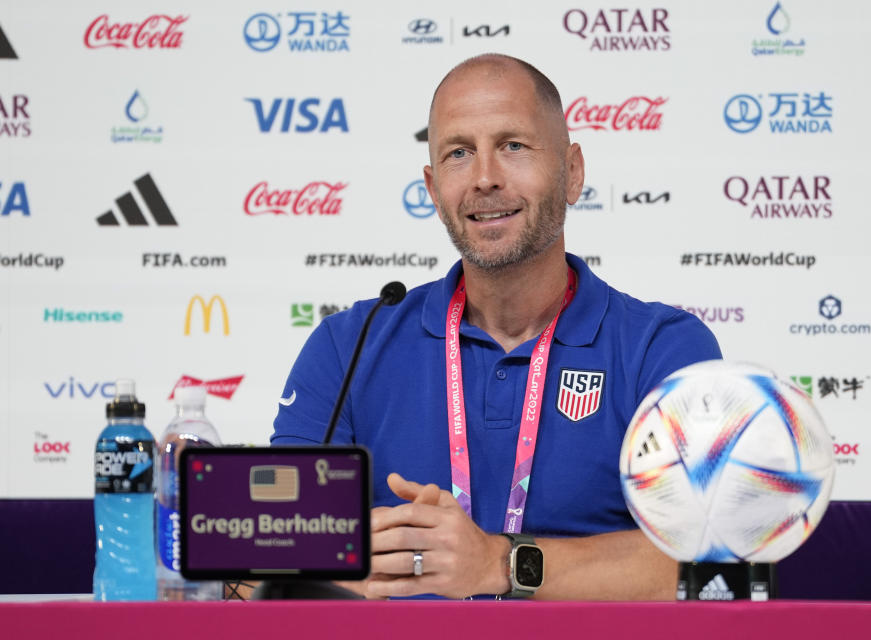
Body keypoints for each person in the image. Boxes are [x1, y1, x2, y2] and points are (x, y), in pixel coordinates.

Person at [271, 53, 721, 600]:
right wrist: (342, 571)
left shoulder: (663, 348)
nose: (485, 178)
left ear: (573, 171)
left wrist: (499, 563)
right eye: (460, 154)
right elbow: (279, 555)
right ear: (434, 191)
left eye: (513, 145)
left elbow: (709, 564)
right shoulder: (349, 346)